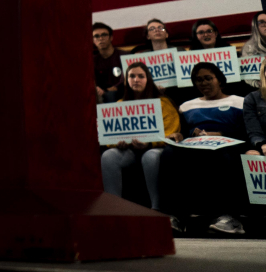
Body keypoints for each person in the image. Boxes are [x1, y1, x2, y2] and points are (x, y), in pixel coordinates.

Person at [160, 62, 247, 235]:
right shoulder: (186, 106)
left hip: (227, 146)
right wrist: (179, 135)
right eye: (199, 80)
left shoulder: (239, 102)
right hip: (195, 147)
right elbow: (183, 132)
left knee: (221, 155)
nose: (204, 83)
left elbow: (246, 131)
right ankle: (175, 216)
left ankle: (228, 217)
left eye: (208, 78)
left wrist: (219, 133)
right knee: (169, 153)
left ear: (220, 80)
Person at [99, 63, 179, 216]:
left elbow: (171, 132)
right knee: (108, 156)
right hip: (129, 150)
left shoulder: (163, 103)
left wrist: (149, 143)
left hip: (155, 149)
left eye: (141, 76)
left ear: (148, 79)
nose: (136, 80)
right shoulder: (120, 105)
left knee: (150, 156)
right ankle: (113, 209)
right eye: (132, 76)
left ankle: (157, 208)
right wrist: (118, 142)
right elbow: (110, 135)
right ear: (126, 80)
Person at [92, 22, 125, 102]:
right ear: (93, 40)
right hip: (101, 94)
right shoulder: (92, 61)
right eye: (96, 36)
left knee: (111, 94)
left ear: (111, 38)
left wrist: (111, 89)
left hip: (123, 91)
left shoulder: (124, 55)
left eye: (104, 35)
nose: (100, 38)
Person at [243, 62, 266, 156]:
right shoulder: (252, 98)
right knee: (251, 155)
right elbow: (255, 132)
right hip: (264, 144)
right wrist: (262, 144)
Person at [240, 12, 266, 91]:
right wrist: (259, 84)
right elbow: (248, 76)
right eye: (261, 22)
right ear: (256, 26)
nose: (265, 24)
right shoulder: (249, 48)